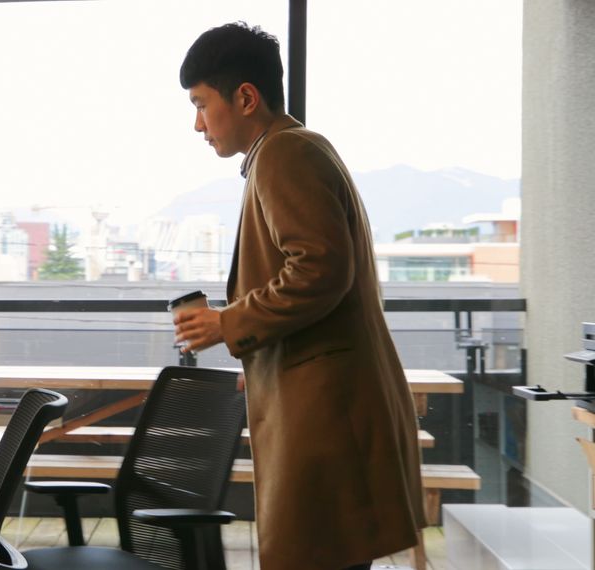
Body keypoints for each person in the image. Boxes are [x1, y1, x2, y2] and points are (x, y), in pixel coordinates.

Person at [172, 22, 427, 570]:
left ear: (245, 97)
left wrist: (228, 324)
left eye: (200, 103)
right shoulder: (296, 148)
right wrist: (259, 350)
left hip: (327, 420)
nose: (197, 124)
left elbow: (320, 269)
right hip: (330, 409)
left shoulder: (283, 153)